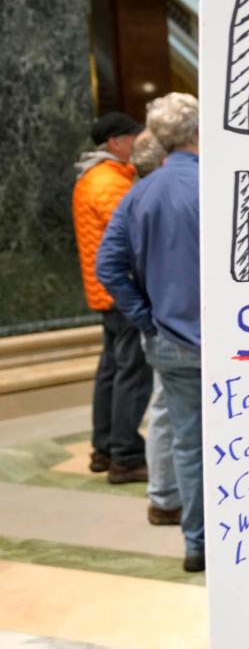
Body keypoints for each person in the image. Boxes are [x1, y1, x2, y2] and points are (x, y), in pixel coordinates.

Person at [96, 93, 205, 573]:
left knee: (189, 440)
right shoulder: (224, 185)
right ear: (200, 132)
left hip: (171, 343)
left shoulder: (139, 193)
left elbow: (108, 265)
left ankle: (198, 541)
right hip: (239, 344)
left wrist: (146, 316)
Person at [72, 111, 152, 485]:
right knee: (132, 374)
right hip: (122, 290)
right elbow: (134, 233)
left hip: (105, 291)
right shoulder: (108, 182)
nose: (140, 143)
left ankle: (104, 447)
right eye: (135, 137)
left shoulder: (94, 177)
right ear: (116, 142)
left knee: (111, 371)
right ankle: (125, 454)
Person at [126, 129, 180, 525]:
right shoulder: (163, 199)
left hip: (162, 322)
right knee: (169, 411)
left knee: (163, 408)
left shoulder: (136, 198)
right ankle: (167, 497)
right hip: (173, 324)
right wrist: (145, 316)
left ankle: (164, 495)